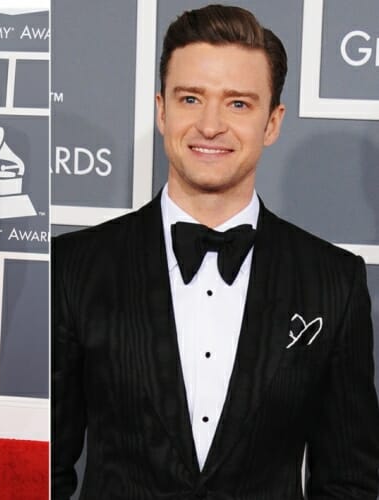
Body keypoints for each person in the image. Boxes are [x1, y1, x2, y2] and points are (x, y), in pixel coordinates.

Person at [52, 4, 379, 499]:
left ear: (272, 122)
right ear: (162, 111)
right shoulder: (75, 266)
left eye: (238, 104)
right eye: (191, 98)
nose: (210, 125)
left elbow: (349, 480)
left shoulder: (334, 281)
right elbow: (49, 466)